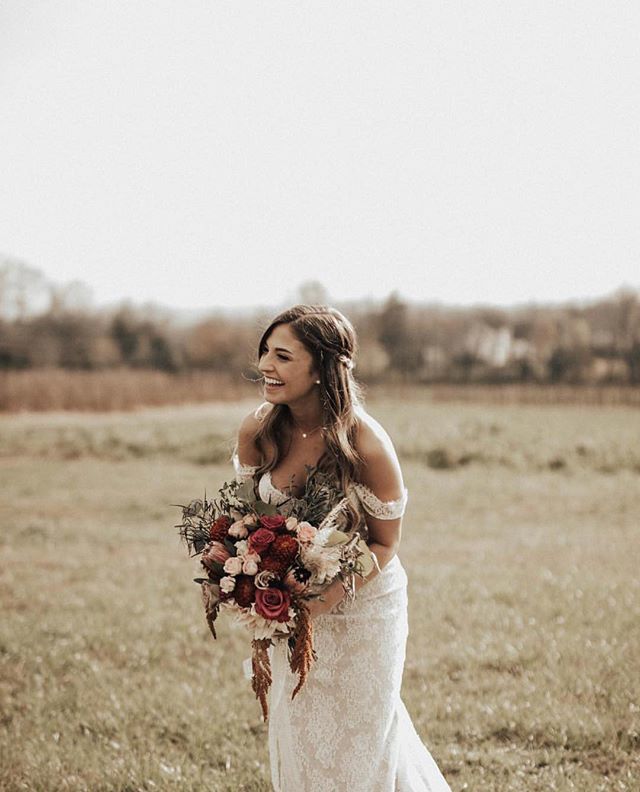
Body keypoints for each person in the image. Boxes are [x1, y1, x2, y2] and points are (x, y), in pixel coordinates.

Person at [232, 304, 451, 792]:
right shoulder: (258, 432)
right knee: (302, 736)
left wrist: (326, 598)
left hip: (364, 610)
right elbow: (247, 520)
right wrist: (248, 575)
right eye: (265, 351)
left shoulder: (366, 443)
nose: (266, 365)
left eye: (283, 356)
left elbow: (385, 541)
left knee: (363, 742)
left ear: (323, 368)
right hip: (289, 606)